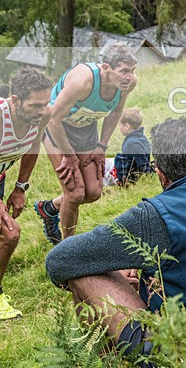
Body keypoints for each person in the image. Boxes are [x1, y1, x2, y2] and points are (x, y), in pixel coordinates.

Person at [45, 117, 186, 361]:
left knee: (83, 271)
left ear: (160, 174)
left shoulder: (153, 216)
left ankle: (110, 362)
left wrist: (114, 271)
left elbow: (59, 260)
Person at [35, 42, 138, 244]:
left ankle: (50, 208)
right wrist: (69, 155)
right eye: (124, 71)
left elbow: (116, 111)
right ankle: (68, 249)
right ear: (106, 67)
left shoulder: (128, 83)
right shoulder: (83, 81)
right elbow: (53, 120)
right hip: (57, 129)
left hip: (86, 130)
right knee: (74, 194)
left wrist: (102, 146)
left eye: (132, 71)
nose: (129, 76)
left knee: (93, 192)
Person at [0, 68, 53, 319]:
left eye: (46, 103)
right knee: (10, 233)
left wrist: (20, 187)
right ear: (15, 100)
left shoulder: (42, 115)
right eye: (35, 105)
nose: (42, 110)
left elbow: (33, 144)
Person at [113, 108, 154, 186]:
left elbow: (144, 166)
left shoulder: (133, 143)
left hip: (128, 178)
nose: (119, 128)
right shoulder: (141, 138)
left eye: (120, 125)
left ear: (127, 126)